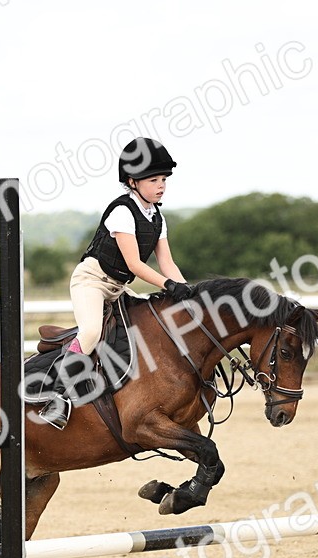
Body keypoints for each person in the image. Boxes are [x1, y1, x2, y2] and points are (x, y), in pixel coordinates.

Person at [38, 137, 194, 429]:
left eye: (163, 179)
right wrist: (169, 287)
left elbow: (167, 264)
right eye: (153, 180)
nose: (161, 185)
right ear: (133, 181)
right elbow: (135, 264)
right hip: (92, 282)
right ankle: (57, 396)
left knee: (150, 323)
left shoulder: (157, 217)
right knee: (91, 331)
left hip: (118, 288)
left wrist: (188, 291)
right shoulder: (122, 212)